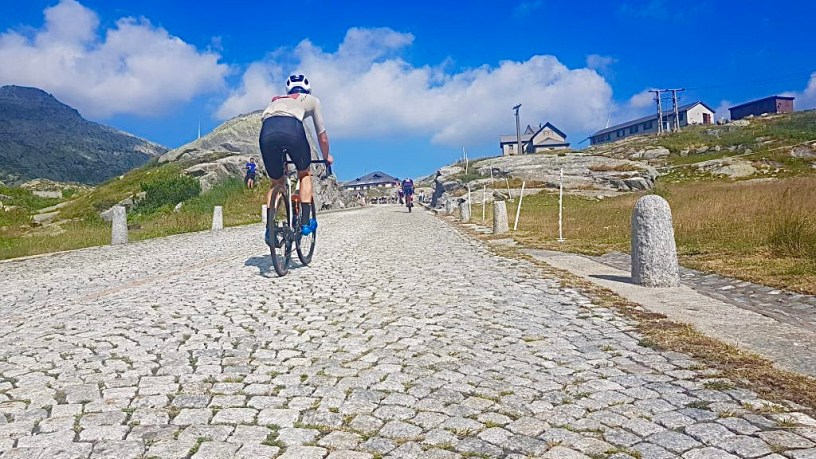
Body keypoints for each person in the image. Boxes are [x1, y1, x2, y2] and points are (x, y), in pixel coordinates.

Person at [259, 74, 333, 237]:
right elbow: (322, 136)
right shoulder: (312, 100)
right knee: (304, 174)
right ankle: (305, 222)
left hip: (267, 132)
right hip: (292, 128)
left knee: (276, 182)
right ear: (307, 89)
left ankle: (270, 229)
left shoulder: (275, 100)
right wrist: (326, 156)